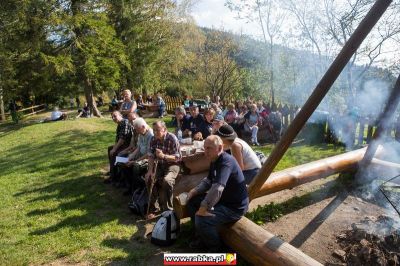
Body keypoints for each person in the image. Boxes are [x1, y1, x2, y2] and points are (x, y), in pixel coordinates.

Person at [186, 135, 249, 252]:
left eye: (209, 148)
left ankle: (216, 249)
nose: (206, 151)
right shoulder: (214, 160)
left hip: (234, 207)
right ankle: (201, 236)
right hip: (223, 200)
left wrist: (204, 207)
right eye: (204, 148)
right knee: (192, 202)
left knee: (202, 219)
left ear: (220, 148)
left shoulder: (226, 162)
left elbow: (218, 187)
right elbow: (209, 180)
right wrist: (195, 190)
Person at [145, 121, 181, 219]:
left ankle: (168, 209)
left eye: (158, 130)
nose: (155, 132)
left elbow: (177, 158)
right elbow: (151, 156)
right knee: (148, 179)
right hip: (160, 164)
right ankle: (154, 208)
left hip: (173, 164)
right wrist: (150, 171)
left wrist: (163, 156)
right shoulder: (153, 139)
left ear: (164, 129)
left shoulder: (172, 138)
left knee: (167, 180)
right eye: (154, 130)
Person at [120, 118, 154, 194]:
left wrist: (135, 161)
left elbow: (149, 154)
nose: (136, 131)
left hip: (148, 158)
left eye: (137, 129)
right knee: (123, 162)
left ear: (143, 127)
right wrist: (130, 157)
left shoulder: (151, 135)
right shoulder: (141, 133)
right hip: (140, 155)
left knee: (136, 166)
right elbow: (138, 148)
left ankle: (137, 189)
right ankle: (129, 186)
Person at [105, 111, 133, 183]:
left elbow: (122, 139)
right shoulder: (120, 124)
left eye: (115, 116)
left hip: (129, 145)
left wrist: (115, 149)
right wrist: (114, 147)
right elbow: (118, 139)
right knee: (110, 149)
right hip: (124, 144)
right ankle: (113, 170)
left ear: (120, 115)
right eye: (112, 117)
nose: (113, 118)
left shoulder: (125, 122)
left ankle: (114, 177)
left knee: (114, 152)